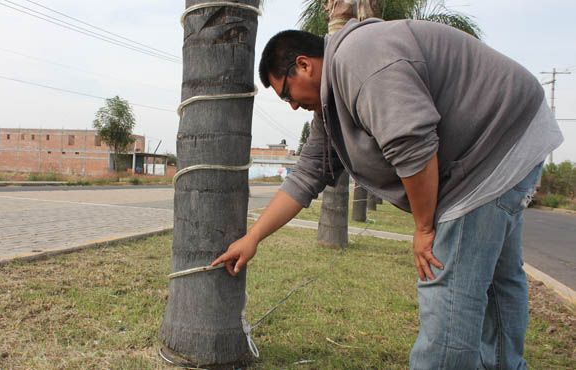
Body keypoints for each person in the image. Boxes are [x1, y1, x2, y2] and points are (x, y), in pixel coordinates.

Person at [212, 18, 563, 369]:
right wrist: (253, 237)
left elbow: (413, 146)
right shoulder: (331, 102)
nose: (291, 105)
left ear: (304, 64)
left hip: (490, 151)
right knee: (500, 282)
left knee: (449, 288)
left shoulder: (359, 61)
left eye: (287, 93)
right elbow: (307, 175)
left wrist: (425, 229)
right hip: (517, 135)